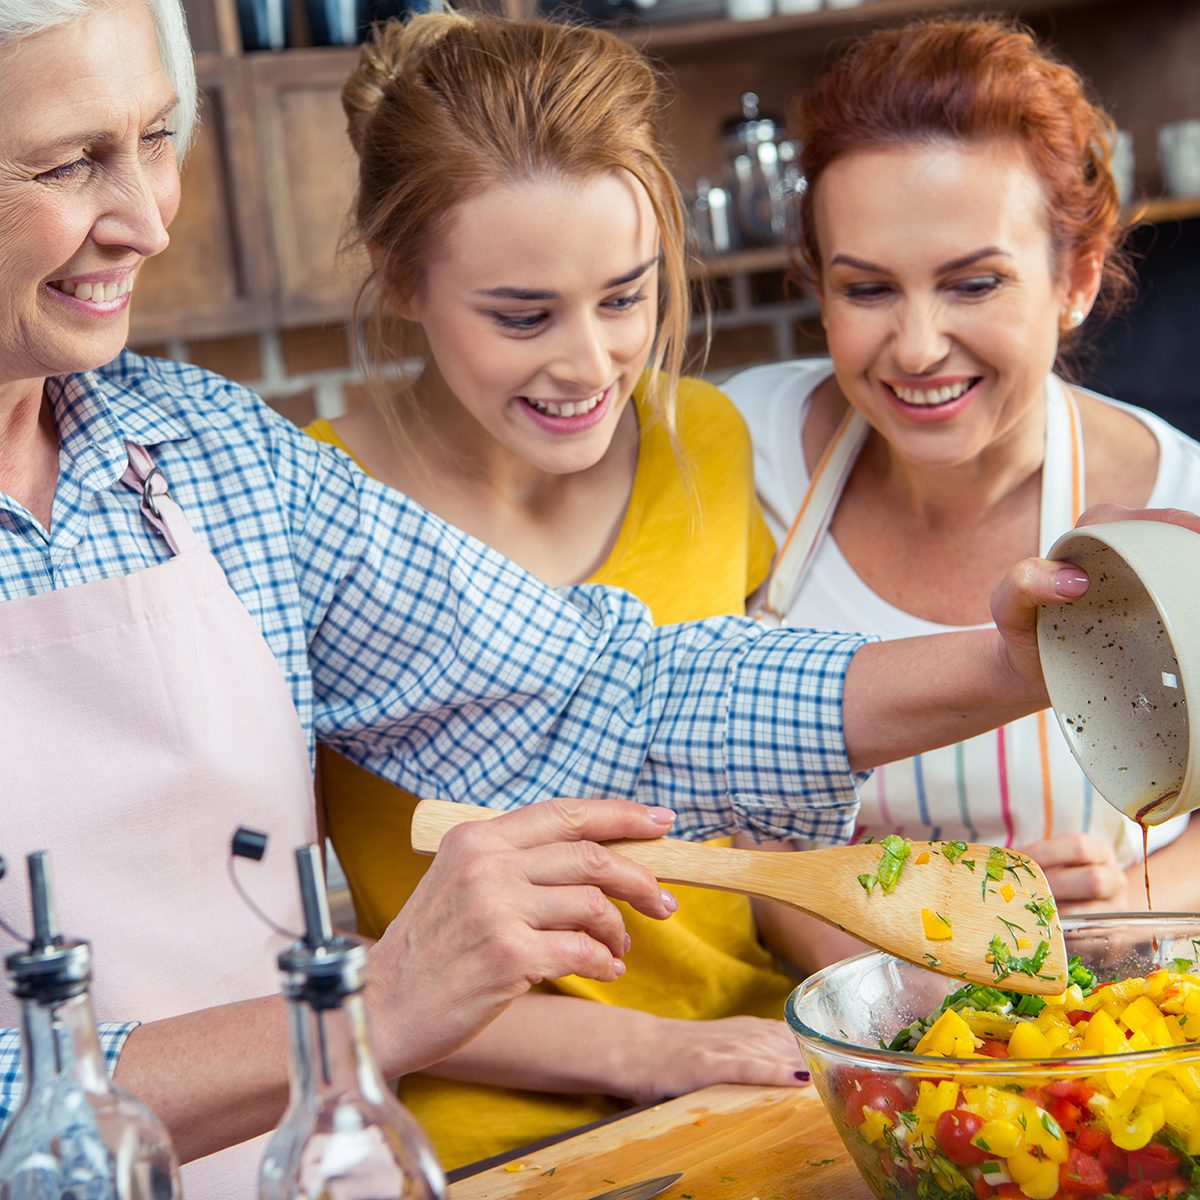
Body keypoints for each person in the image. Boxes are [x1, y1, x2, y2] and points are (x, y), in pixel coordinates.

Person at [0, 1, 1168, 1195]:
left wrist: (1012, 661)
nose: (148, 220)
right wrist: (396, 997)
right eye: (67, 160)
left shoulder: (202, 451)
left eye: (154, 141)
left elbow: (614, 696)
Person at [305, 11, 803, 1168]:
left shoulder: (710, 443)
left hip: (762, 1069)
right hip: (486, 1140)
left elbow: (759, 826)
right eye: (523, 316)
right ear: (399, 276)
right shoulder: (308, 508)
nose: (589, 365)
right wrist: (654, 1054)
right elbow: (314, 971)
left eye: (625, 298)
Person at [724, 16, 1200, 977]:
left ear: (1076, 277)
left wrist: (1100, 922)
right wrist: (913, 944)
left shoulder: (1179, 502)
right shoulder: (739, 453)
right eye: (867, 292)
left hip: (1108, 1022)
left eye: (972, 283)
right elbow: (718, 817)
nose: (915, 347)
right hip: (839, 1033)